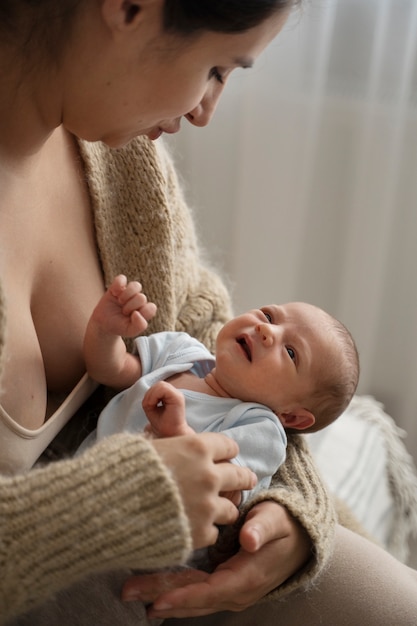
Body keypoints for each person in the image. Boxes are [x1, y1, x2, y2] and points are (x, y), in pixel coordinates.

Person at [1, 1, 417, 625]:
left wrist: (288, 500)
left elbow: (204, 336)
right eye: (219, 68)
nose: (203, 112)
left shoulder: (120, 153)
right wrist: (99, 509)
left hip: (199, 546)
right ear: (131, 8)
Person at [80, 274, 359, 508]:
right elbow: (111, 370)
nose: (266, 329)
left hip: (147, 533)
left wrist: (178, 434)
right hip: (80, 484)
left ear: (293, 417)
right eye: (269, 315)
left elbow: (222, 489)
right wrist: (105, 330)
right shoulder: (180, 351)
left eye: (290, 352)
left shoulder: (259, 429)